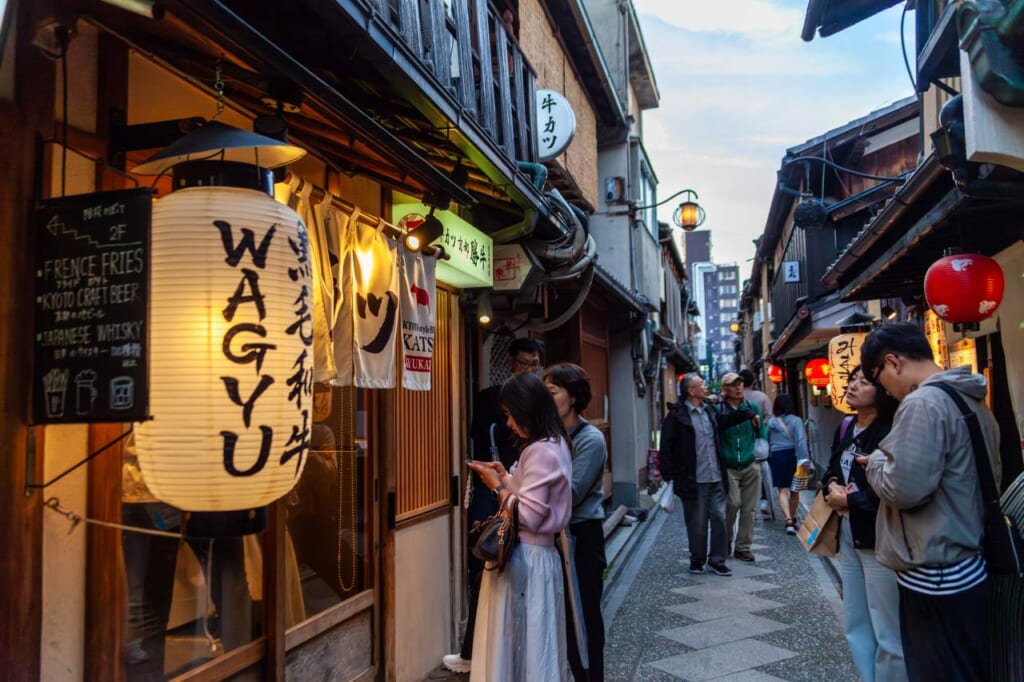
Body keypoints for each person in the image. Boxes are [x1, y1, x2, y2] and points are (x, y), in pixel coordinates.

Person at [860, 323, 1001, 682]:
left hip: (935, 570)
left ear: (892, 362)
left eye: (878, 379)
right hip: (967, 559)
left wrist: (875, 462)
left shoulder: (922, 403)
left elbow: (904, 489)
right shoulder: (968, 396)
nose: (885, 392)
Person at [443, 337, 543, 674]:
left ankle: (507, 656)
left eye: (534, 364)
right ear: (510, 363)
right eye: (523, 363)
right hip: (493, 487)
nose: (529, 369)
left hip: (525, 490)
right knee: (484, 563)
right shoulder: (492, 398)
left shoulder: (541, 404)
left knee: (517, 570)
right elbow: (479, 438)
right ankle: (475, 650)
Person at [468, 372, 574, 681]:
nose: (509, 423)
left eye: (510, 414)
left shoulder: (540, 450)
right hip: (536, 557)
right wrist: (503, 475)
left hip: (527, 557)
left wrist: (496, 488)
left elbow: (529, 515)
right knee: (534, 644)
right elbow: (531, 495)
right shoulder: (554, 444)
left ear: (526, 409)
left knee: (519, 643)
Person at [821, 365, 906, 682]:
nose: (854, 386)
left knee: (887, 625)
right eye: (852, 379)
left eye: (864, 381)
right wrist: (830, 486)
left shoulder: (892, 431)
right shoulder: (846, 427)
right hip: (849, 533)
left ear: (883, 390)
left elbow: (897, 489)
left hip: (881, 537)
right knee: (855, 619)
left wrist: (851, 501)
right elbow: (831, 469)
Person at [544, 363, 606, 681]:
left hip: (583, 536)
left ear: (573, 396)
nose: (545, 396)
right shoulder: (548, 437)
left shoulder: (590, 439)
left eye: (552, 391)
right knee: (563, 619)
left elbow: (571, 493)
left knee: (584, 617)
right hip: (553, 537)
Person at [659, 373, 751, 576]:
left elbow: (725, 420)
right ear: (691, 390)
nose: (706, 387)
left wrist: (745, 411)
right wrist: (669, 476)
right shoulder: (677, 416)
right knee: (697, 522)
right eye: (702, 385)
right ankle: (697, 559)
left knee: (719, 517)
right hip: (693, 478)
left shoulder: (709, 410)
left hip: (716, 475)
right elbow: (666, 447)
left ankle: (717, 560)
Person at [717, 372, 765, 562]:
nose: (738, 388)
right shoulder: (720, 410)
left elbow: (761, 431)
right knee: (732, 504)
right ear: (725, 389)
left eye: (740, 384)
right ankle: (725, 541)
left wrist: (758, 454)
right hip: (728, 465)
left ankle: (743, 546)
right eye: (732, 385)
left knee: (750, 508)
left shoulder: (751, 406)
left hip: (750, 462)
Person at [766, 394, 809, 534]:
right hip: (793, 455)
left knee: (782, 489)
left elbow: (766, 440)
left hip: (777, 456)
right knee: (794, 490)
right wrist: (804, 459)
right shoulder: (796, 421)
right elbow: (801, 440)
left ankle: (788, 519)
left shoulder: (771, 422)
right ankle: (792, 518)